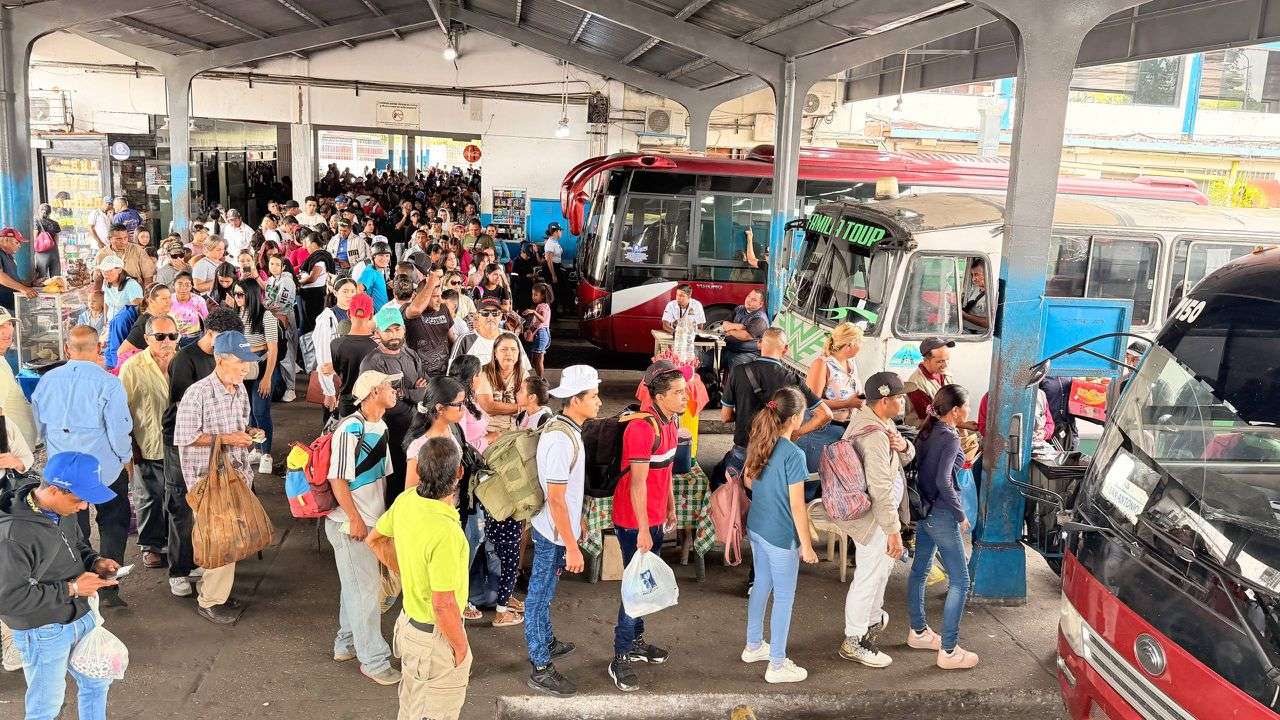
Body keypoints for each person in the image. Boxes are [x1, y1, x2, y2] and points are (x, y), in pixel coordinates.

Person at [0, 452, 123, 720]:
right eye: (79, 500)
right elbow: (8, 600)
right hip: (43, 629)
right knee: (45, 708)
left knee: (97, 683)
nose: (84, 507)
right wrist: (72, 589)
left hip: (81, 613)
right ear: (54, 490)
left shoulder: (61, 509)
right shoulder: (12, 534)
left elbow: (76, 545)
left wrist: (95, 562)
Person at [366, 437, 472, 720]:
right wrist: (461, 648)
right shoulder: (447, 533)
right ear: (459, 472)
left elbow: (374, 539)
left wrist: (409, 570)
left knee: (412, 709)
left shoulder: (406, 501)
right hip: (435, 639)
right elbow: (443, 604)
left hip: (410, 629)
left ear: (420, 470)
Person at [31, 325, 133, 607]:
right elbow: (119, 430)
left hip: (61, 473)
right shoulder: (109, 383)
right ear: (98, 348)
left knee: (72, 530)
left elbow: (39, 427)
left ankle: (81, 586)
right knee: (113, 523)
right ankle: (109, 587)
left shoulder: (47, 380)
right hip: (104, 469)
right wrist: (125, 458)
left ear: (67, 349)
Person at [607, 361, 686, 692]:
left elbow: (664, 471)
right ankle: (620, 656)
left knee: (643, 585)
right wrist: (642, 529)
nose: (685, 397)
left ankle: (636, 643)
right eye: (678, 393)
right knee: (636, 589)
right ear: (660, 396)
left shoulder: (671, 422)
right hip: (632, 521)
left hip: (653, 518)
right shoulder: (641, 429)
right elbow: (637, 484)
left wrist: (670, 507)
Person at [524, 365, 602, 697]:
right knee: (538, 598)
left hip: (558, 528)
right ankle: (540, 667)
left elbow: (567, 492)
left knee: (545, 593)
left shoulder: (568, 429)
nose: (599, 402)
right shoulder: (559, 438)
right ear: (575, 400)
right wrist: (571, 545)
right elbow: (555, 499)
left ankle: (546, 641)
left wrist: (577, 519)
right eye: (594, 396)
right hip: (552, 533)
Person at [174, 331, 260, 624]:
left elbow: (241, 427)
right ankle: (210, 600)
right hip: (207, 480)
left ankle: (215, 593)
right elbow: (185, 437)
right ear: (221, 360)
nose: (246, 368)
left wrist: (249, 433)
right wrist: (229, 438)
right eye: (241, 361)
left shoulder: (239, 390)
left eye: (247, 361)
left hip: (236, 476)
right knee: (221, 539)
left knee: (229, 538)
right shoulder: (197, 393)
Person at [326, 370, 401, 685]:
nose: (394, 390)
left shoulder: (380, 426)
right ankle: (374, 661)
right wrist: (355, 519)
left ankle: (346, 644)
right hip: (350, 525)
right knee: (365, 593)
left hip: (368, 522)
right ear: (373, 392)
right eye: (388, 386)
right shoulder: (351, 429)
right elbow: (337, 479)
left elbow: (380, 480)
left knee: (356, 588)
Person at [741, 386, 819, 683]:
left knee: (762, 584)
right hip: (780, 535)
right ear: (796, 418)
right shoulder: (794, 454)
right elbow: (798, 506)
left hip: (757, 526)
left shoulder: (761, 440)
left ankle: (753, 645)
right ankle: (776, 664)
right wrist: (807, 546)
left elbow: (748, 482)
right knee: (784, 598)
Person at [837, 371, 915, 669]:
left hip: (877, 517)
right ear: (884, 400)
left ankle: (870, 623)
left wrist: (903, 446)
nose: (903, 401)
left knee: (879, 572)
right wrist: (893, 530)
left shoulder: (880, 423)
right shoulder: (873, 436)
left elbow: (903, 458)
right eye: (899, 397)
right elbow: (880, 488)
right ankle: (854, 640)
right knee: (869, 576)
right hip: (874, 520)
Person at [163, 307, 243, 597]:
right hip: (182, 443)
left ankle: (201, 560)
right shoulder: (184, 360)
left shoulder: (224, 358)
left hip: (214, 445)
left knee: (209, 510)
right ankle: (179, 569)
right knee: (182, 506)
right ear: (210, 333)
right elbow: (184, 413)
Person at [907, 384, 980, 670]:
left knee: (920, 570)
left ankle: (918, 632)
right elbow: (943, 481)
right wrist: (960, 515)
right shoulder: (949, 438)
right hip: (941, 513)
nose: (969, 411)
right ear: (956, 410)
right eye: (967, 406)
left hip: (924, 511)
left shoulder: (928, 431)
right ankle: (949, 650)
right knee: (961, 581)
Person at [719, 328, 831, 494]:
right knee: (765, 499)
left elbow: (725, 416)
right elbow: (825, 414)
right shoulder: (793, 380)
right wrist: (796, 433)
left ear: (759, 344)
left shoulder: (739, 371)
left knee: (734, 500)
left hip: (743, 450)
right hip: (776, 453)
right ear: (785, 349)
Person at [119, 313, 180, 570]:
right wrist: (129, 447)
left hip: (181, 443)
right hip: (148, 443)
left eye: (172, 336)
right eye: (160, 336)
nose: (167, 342)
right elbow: (122, 411)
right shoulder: (132, 368)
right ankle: (151, 546)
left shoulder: (184, 362)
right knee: (149, 497)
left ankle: (176, 543)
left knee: (177, 496)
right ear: (146, 339)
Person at [360, 306, 428, 505]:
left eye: (397, 329)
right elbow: (383, 403)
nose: (394, 335)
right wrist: (414, 393)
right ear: (378, 333)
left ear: (404, 330)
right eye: (388, 330)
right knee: (392, 486)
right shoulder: (372, 362)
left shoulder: (411, 355)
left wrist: (404, 393)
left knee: (413, 483)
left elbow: (427, 391)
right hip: (387, 435)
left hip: (414, 432)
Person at [795, 322, 864, 475]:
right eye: (860, 342)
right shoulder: (822, 364)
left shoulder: (851, 363)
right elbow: (811, 402)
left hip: (844, 430)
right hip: (821, 431)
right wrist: (847, 403)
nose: (862, 346)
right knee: (812, 478)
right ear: (849, 345)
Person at [235, 278, 279, 474]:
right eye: (235, 294)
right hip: (243, 367)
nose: (236, 298)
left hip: (263, 366)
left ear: (251, 295)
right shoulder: (238, 314)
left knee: (261, 411)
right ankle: (258, 449)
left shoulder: (265, 316)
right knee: (250, 412)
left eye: (240, 294)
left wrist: (267, 377)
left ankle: (267, 453)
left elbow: (273, 349)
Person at [448, 297, 532, 370]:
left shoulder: (511, 338)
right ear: (477, 316)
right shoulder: (465, 340)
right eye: (485, 313)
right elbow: (452, 375)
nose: (490, 317)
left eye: (495, 313)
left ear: (501, 316)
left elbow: (524, 370)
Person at [331, 293, 379, 417]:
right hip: (373, 405)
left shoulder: (336, 344)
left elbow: (336, 373)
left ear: (348, 313)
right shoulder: (378, 346)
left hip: (347, 405)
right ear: (371, 314)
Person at [315, 278, 359, 414]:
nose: (349, 295)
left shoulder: (360, 315)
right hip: (337, 379)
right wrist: (329, 391)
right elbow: (323, 355)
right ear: (335, 292)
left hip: (355, 379)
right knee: (334, 419)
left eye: (352, 291)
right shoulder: (327, 318)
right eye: (345, 291)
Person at [402, 269, 452, 377]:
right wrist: (430, 283)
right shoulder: (407, 309)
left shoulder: (443, 308)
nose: (440, 300)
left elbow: (451, 337)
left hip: (445, 375)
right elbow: (416, 310)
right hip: (421, 377)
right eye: (435, 296)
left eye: (440, 295)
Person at [0, 308, 37, 451]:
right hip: (11, 452)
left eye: (9, 324)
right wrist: (4, 453)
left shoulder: (2, 359)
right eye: (1, 326)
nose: (7, 331)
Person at [265, 255, 299, 402]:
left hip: (285, 318)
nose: (273, 267)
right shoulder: (270, 280)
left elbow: (281, 305)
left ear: (283, 267)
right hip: (272, 318)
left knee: (287, 355)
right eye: (271, 263)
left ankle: (291, 388)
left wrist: (268, 306)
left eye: (277, 264)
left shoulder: (287, 281)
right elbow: (267, 299)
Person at [719, 288, 770, 372]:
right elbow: (725, 323)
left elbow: (746, 336)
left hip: (749, 353)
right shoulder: (739, 309)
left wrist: (730, 331)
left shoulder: (760, 318)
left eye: (753, 300)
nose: (749, 300)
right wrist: (739, 326)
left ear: (760, 304)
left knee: (737, 365)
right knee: (709, 358)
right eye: (748, 296)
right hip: (730, 349)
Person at [94, 224, 150, 290]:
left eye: (125, 238)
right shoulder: (102, 254)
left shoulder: (138, 250)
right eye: (119, 239)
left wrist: (147, 293)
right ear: (109, 239)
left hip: (135, 291)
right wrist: (97, 292)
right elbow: (98, 278)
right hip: (112, 292)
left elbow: (148, 276)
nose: (123, 242)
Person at [0, 227, 37, 313]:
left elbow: (12, 277)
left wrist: (30, 284)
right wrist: (23, 288)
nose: (19, 245)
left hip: (11, 303)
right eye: (17, 242)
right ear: (5, 240)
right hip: (3, 307)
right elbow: (0, 276)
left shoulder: (8, 255)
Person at [98, 255, 142, 326]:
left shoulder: (131, 285)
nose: (106, 274)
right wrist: (105, 319)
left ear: (120, 270)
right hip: (110, 323)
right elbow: (106, 302)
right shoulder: (106, 283)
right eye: (103, 270)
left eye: (110, 270)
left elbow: (137, 309)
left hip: (125, 325)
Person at [522, 283, 553, 377]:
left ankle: (540, 379)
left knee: (537, 359)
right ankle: (540, 378)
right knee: (538, 358)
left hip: (541, 334)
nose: (533, 297)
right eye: (532, 294)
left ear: (543, 296)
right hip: (541, 333)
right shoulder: (542, 305)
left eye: (536, 295)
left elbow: (543, 319)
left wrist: (533, 312)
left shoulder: (543, 306)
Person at [171, 272, 209, 344]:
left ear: (191, 286)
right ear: (173, 285)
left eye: (187, 284)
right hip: (173, 337)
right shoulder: (168, 300)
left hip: (195, 338)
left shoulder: (198, 300)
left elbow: (207, 320)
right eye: (180, 284)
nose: (183, 288)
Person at [542, 223, 570, 315]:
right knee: (553, 292)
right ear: (555, 232)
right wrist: (553, 275)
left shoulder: (555, 242)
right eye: (560, 230)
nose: (561, 232)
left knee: (560, 290)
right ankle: (552, 315)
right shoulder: (550, 243)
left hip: (556, 267)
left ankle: (558, 311)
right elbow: (549, 260)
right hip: (551, 269)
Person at [358, 242, 393, 310]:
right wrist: (368, 309)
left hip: (383, 313)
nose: (384, 259)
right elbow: (358, 289)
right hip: (376, 314)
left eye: (387, 256)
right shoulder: (370, 272)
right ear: (373, 257)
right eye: (381, 255)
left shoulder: (381, 271)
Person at [33, 202, 61, 281]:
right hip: (53, 249)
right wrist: (54, 247)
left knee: (42, 273)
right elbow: (56, 237)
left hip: (41, 250)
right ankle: (56, 285)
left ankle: (44, 287)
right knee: (55, 272)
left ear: (39, 210)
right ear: (50, 212)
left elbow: (35, 236)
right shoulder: (55, 223)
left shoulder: (36, 221)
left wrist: (35, 247)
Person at [961, 257, 989, 333]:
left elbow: (987, 323)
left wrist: (964, 315)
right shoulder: (975, 289)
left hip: (976, 334)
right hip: (963, 329)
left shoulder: (991, 295)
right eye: (972, 275)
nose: (973, 279)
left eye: (976, 275)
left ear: (987, 274)